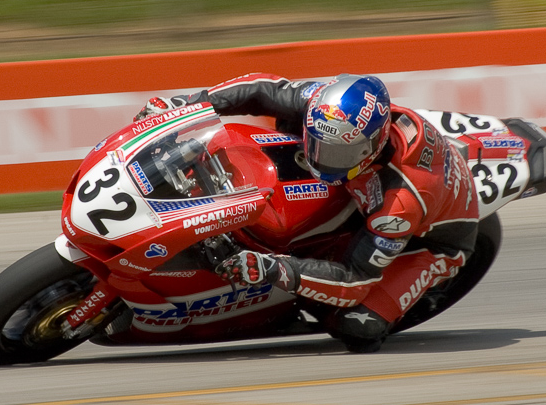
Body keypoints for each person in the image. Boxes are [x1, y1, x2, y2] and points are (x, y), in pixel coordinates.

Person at [134, 73, 479, 352]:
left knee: (358, 327)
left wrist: (273, 268)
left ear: (373, 145)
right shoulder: (327, 107)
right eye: (315, 144)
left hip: (431, 240)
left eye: (338, 155)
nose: (319, 161)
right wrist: (186, 106)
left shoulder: (399, 203)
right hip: (367, 190)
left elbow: (356, 280)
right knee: (286, 113)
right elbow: (262, 89)